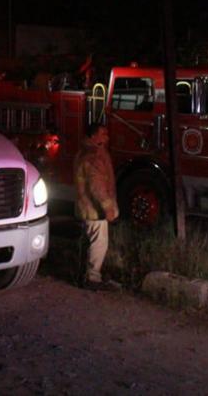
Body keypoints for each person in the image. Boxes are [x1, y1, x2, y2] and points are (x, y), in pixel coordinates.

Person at [73, 121, 118, 290]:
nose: (107, 137)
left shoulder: (83, 152)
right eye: (103, 133)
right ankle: (92, 278)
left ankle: (83, 275)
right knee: (99, 243)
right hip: (94, 210)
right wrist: (107, 207)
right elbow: (97, 185)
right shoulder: (94, 156)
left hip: (85, 207)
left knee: (88, 242)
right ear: (94, 136)